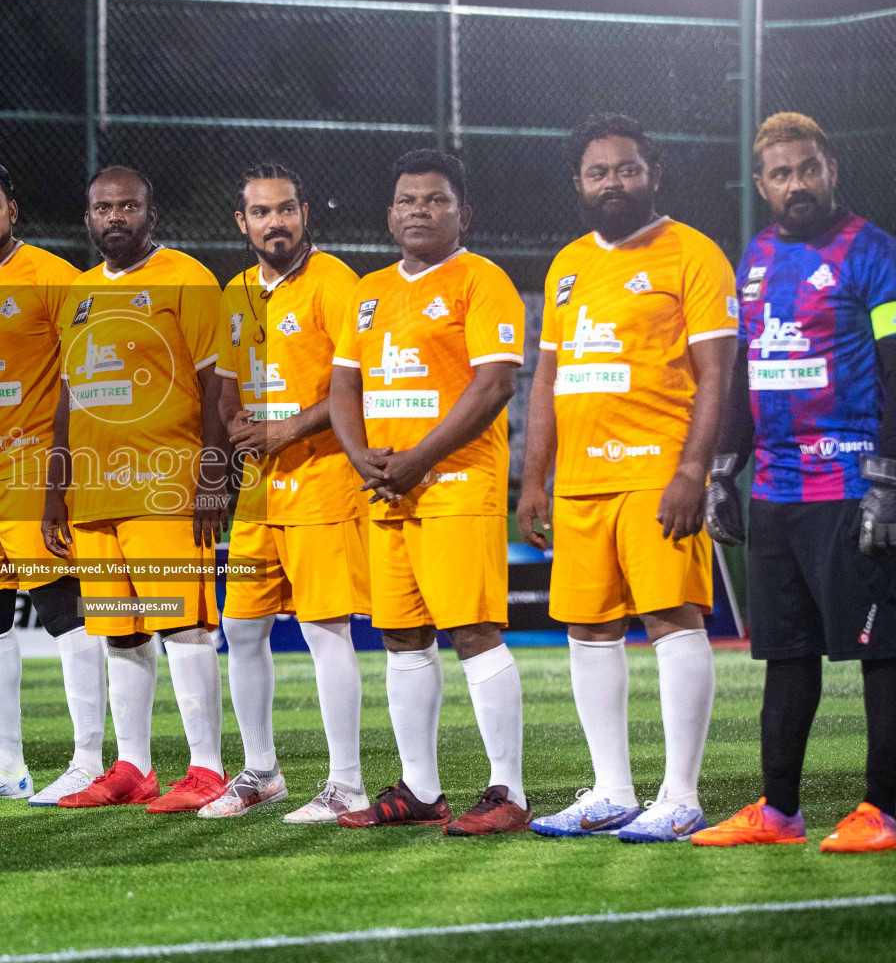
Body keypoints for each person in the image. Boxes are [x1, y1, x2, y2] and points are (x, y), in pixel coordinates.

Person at [516, 112, 737, 842]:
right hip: (579, 485)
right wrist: (534, 480)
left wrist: (693, 470)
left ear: (653, 174)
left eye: (627, 168)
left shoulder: (693, 254)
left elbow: (716, 375)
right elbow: (547, 381)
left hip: (657, 475)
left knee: (673, 619)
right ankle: (611, 790)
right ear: (578, 183)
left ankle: (680, 794)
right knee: (588, 629)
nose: (614, 182)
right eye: (598, 172)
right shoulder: (568, 264)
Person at [694, 112, 896, 853]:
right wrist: (723, 471)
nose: (796, 184)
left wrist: (889, 481)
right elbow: (750, 373)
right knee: (785, 655)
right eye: (780, 174)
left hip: (852, 486)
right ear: (761, 184)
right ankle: (778, 812)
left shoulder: (874, 253)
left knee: (883, 651)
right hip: (777, 495)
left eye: (807, 168)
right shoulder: (754, 260)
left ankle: (884, 811)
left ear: (831, 167)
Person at [330, 150, 530, 835]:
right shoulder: (369, 290)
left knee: (473, 631)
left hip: (455, 485)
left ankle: (510, 792)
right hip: (387, 490)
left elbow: (495, 385)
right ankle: (420, 790)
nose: (420, 210)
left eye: (436, 200)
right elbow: (344, 386)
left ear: (462, 213)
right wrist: (364, 459)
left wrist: (416, 460)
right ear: (390, 214)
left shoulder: (483, 280)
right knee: (401, 636)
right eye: (408, 200)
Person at [43, 166, 230, 813]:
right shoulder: (80, 292)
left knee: (181, 627)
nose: (114, 217)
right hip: (93, 495)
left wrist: (213, 474)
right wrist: (53, 491)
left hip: (166, 487)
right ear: (87, 216)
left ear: (152, 213)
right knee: (119, 633)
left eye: (128, 206)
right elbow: (68, 399)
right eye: (103, 207)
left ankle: (207, 767)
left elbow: (218, 382)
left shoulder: (189, 277)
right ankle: (134, 766)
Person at [0, 153, 107, 805]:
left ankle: (88, 758)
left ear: (13, 209)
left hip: (33, 474)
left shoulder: (53, 277)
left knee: (67, 615)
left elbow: (84, 384)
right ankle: (7, 762)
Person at [199, 164, 371, 824]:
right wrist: (236, 431)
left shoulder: (337, 284)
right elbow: (225, 382)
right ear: (241, 223)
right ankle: (261, 772)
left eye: (286, 210)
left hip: (325, 481)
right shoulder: (236, 290)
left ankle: (347, 783)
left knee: (325, 629)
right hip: (259, 490)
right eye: (261, 213)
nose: (276, 222)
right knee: (241, 627)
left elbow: (352, 384)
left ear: (306, 214)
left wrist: (288, 429)